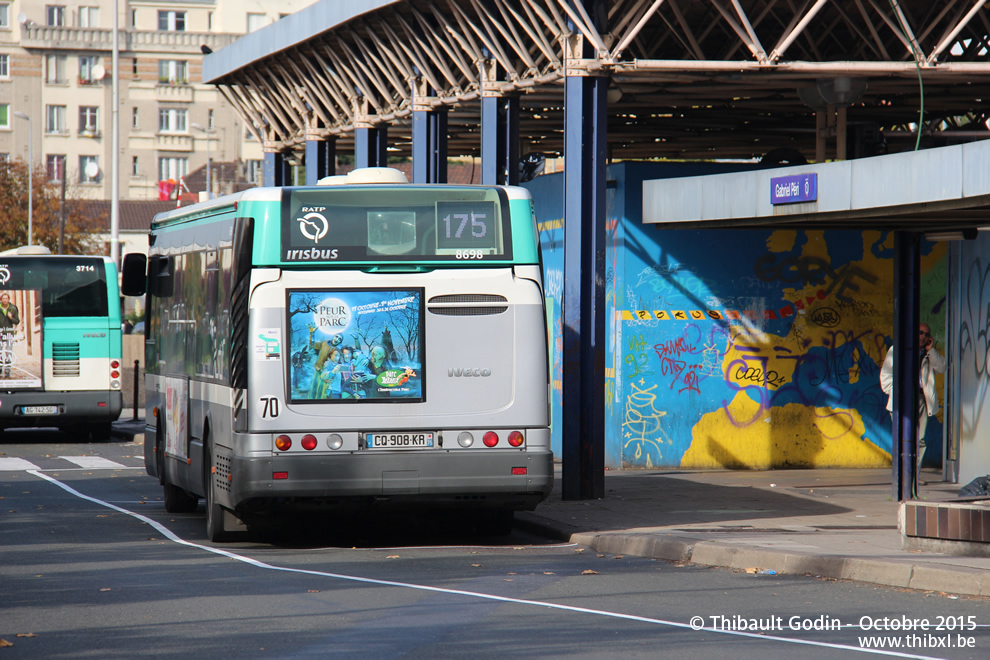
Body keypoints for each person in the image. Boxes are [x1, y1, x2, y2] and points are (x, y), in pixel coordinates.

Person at [880, 322, 946, 469]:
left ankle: (914, 475)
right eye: (920, 332)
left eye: (927, 334)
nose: (923, 336)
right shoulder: (897, 350)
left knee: (920, 440)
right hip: (902, 399)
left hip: (921, 399)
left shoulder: (928, 354)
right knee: (903, 438)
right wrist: (896, 393)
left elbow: (941, 367)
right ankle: (903, 473)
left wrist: (931, 350)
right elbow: (885, 376)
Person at [0, 293, 20, 378]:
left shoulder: (13, 308)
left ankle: (7, 371)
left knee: (8, 353)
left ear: (9, 299)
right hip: (0, 333)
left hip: (8, 333)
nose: (5, 300)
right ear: (1, 300)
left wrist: (11, 318)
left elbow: (17, 321)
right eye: (3, 298)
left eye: (6, 298)